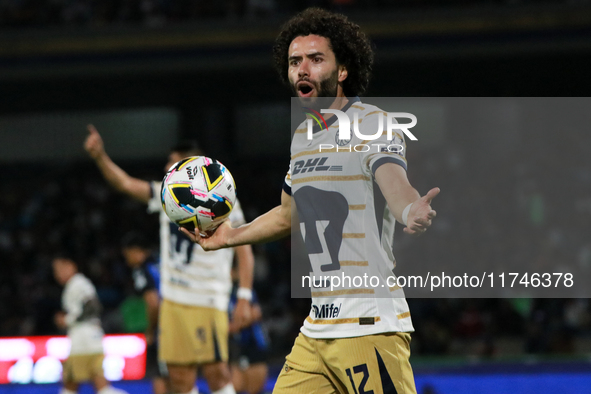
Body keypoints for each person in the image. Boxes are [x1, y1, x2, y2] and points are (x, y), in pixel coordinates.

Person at [180, 8, 440, 394]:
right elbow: (288, 215)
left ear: (343, 70)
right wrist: (227, 237)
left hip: (368, 325)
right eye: (295, 61)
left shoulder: (373, 123)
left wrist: (409, 209)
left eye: (316, 60)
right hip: (317, 330)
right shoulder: (303, 138)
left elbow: (395, 183)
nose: (303, 69)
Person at [84, 130, 255, 394]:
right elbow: (126, 184)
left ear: (189, 166)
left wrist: (243, 295)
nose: (166, 167)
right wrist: (100, 157)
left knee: (217, 373)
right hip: (172, 300)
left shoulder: (221, 196)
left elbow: (244, 249)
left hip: (207, 298)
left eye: (172, 162)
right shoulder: (168, 195)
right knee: (178, 378)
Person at [52, 256, 128, 394]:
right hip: (89, 338)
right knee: (96, 383)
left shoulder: (79, 283)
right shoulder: (74, 285)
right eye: (56, 271)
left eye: (61, 268)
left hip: (83, 340)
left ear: (72, 266)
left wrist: (68, 319)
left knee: (71, 383)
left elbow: (93, 306)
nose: (58, 274)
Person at [120, 232, 167, 394]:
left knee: (160, 375)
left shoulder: (142, 270)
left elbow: (153, 303)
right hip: (181, 318)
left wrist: (150, 329)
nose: (128, 262)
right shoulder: (163, 260)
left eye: (128, 256)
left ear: (135, 251)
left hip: (164, 328)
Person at [228, 264, 269, 394]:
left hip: (254, 345)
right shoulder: (221, 293)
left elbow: (256, 313)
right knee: (235, 387)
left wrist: (235, 325)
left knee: (255, 389)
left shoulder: (243, 291)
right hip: (234, 348)